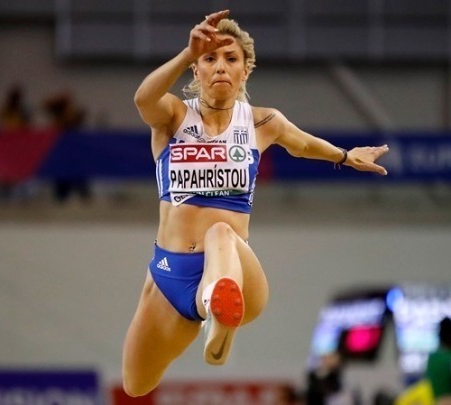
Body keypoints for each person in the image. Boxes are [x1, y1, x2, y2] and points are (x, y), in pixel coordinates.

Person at [121, 9, 389, 398]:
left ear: (246, 70)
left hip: (237, 272)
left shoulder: (261, 123)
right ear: (196, 70)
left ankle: (218, 306)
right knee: (135, 384)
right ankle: (213, 308)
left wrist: (346, 156)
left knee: (220, 233)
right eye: (209, 58)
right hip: (170, 273)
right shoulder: (173, 117)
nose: (220, 66)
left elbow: (303, 144)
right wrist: (186, 52)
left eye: (231, 58)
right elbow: (142, 98)